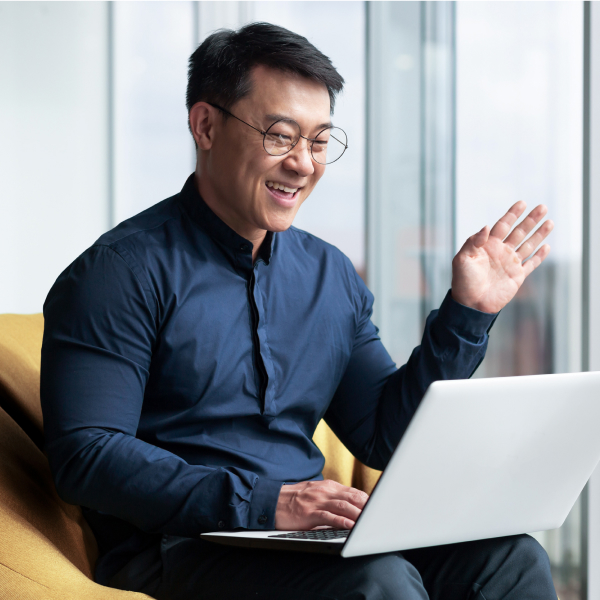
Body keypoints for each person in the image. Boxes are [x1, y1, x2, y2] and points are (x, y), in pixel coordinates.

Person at [41, 22, 557, 600]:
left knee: (510, 559)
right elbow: (87, 456)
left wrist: (466, 313)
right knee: (377, 580)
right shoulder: (119, 272)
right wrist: (269, 502)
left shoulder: (330, 276)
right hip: (180, 546)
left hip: (305, 541)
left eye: (319, 141)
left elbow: (383, 435)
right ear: (205, 125)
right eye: (281, 136)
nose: (304, 164)